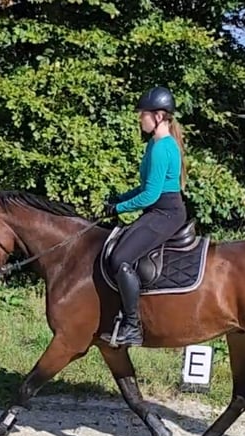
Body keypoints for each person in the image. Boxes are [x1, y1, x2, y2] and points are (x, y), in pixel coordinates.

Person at [101, 86, 188, 347]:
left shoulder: (163, 148)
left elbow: (150, 196)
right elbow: (145, 187)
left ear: (158, 116)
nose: (140, 118)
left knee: (120, 258)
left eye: (143, 114)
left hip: (167, 212)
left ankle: (132, 327)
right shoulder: (154, 143)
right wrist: (120, 198)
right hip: (158, 209)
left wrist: (119, 209)